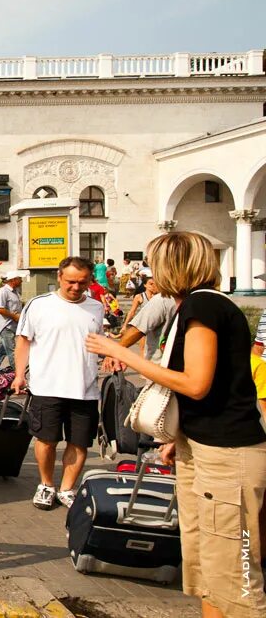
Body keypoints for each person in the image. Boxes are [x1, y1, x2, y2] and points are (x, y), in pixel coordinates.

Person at [86, 232, 266, 617]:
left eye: (154, 263)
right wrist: (180, 437)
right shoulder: (194, 307)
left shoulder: (203, 307)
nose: (149, 272)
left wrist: (120, 352)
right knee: (204, 569)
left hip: (226, 456)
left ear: (172, 266)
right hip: (203, 448)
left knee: (233, 575)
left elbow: (196, 384)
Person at [12, 257, 105, 510]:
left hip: (84, 388)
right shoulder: (39, 305)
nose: (76, 287)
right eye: (71, 282)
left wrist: (113, 358)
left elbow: (99, 342)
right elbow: (23, 341)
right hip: (46, 386)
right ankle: (46, 484)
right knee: (46, 440)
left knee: (79, 442)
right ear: (59, 277)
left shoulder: (96, 307)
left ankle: (66, 488)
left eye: (82, 283)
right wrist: (19, 374)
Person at [0, 271, 23, 369]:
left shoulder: (15, 292)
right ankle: (19, 376)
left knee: (1, 352)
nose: (21, 281)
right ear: (13, 280)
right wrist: (14, 316)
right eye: (19, 278)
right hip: (6, 327)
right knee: (13, 352)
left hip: (13, 326)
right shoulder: (2, 292)